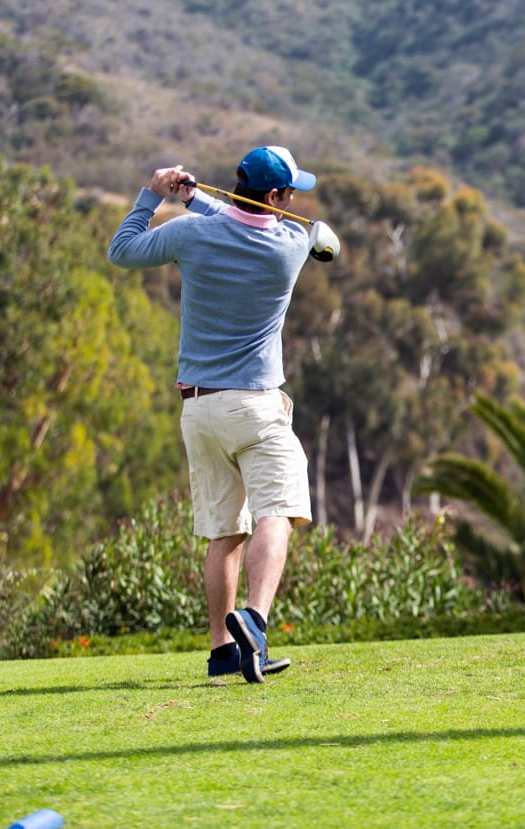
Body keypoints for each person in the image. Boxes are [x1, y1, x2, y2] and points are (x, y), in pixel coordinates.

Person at [108, 145, 328, 684]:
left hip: (199, 409)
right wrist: (198, 200)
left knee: (224, 533)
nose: (294, 200)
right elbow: (259, 227)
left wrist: (158, 196)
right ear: (276, 198)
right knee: (279, 511)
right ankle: (254, 619)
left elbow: (123, 250)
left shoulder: (191, 234)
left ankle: (222, 652)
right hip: (255, 406)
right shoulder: (292, 245)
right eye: (290, 192)